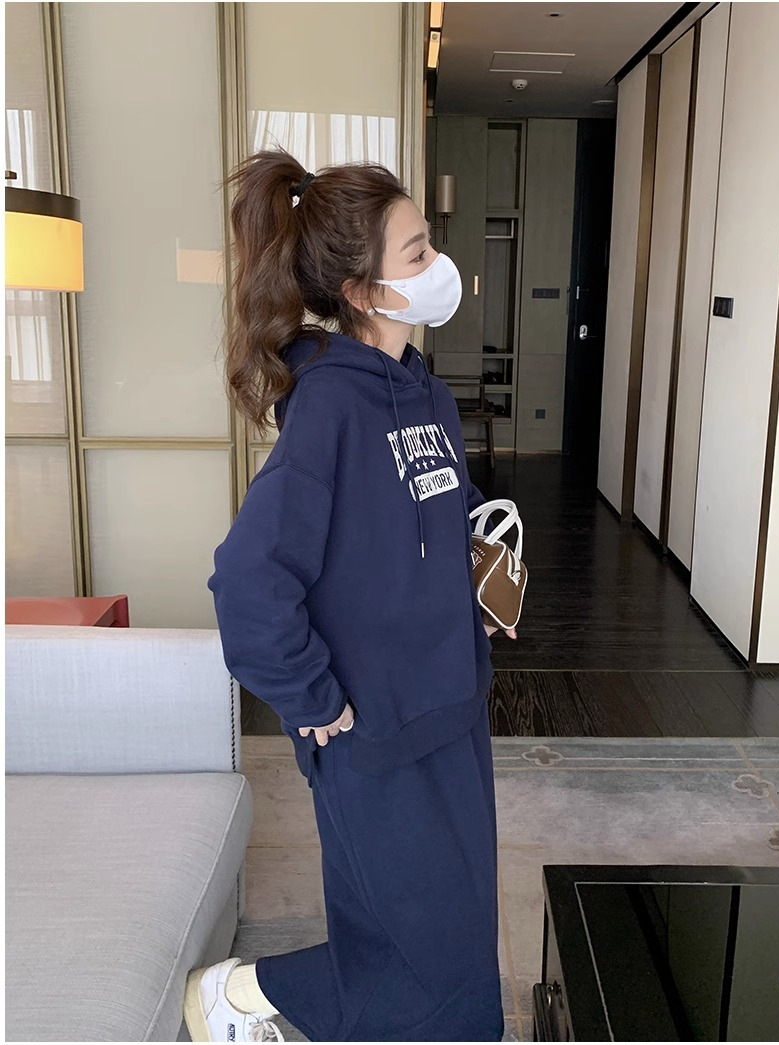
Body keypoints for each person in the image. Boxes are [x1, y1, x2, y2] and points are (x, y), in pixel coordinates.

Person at [183, 146, 517, 1044]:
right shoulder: (330, 406)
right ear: (364, 292)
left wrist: (485, 557)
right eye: (418, 252)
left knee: (455, 941)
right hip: (370, 734)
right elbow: (248, 578)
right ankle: (244, 993)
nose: (439, 265)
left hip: (452, 707)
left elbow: (431, 510)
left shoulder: (426, 394)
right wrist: (311, 697)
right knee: (421, 965)